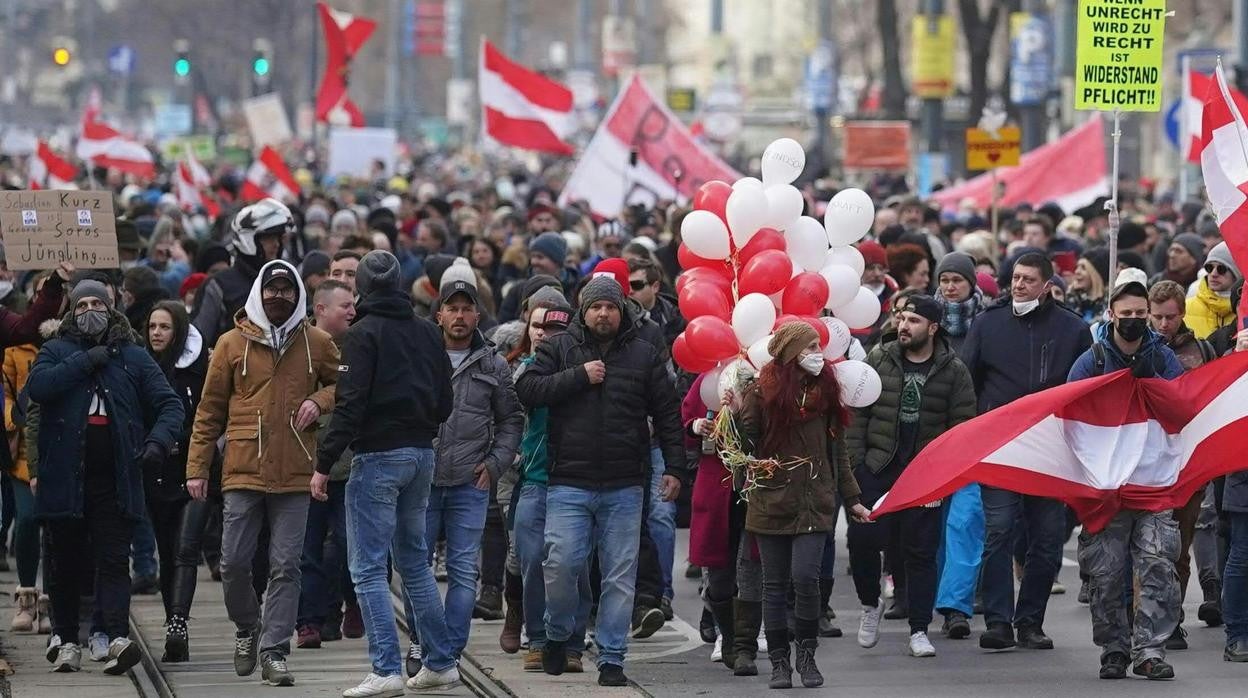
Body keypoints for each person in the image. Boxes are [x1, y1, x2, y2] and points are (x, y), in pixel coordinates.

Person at [515, 276, 685, 687]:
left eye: (610, 306)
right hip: (568, 482)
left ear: (620, 310)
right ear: (583, 312)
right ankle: (557, 632)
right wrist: (577, 376)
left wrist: (675, 469)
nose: (603, 313)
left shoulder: (644, 354)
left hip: (625, 484)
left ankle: (612, 656)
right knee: (559, 564)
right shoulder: (559, 348)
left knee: (618, 574)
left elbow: (667, 414)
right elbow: (527, 389)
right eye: (596, 307)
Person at [313, 250, 462, 696]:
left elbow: (349, 403)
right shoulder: (425, 330)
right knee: (414, 563)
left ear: (362, 288)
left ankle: (385, 667)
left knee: (368, 568)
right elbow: (445, 402)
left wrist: (323, 464)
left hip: (378, 456)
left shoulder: (362, 335)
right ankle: (440, 661)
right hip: (421, 453)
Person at [186, 260, 340, 688]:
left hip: (294, 471)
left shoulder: (318, 343)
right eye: (271, 289)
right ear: (259, 292)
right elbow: (209, 411)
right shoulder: (231, 344)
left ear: (298, 296)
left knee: (286, 565)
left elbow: (344, 385)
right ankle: (246, 626)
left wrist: (321, 401)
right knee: (233, 562)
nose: (278, 297)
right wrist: (197, 467)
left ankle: (274, 651)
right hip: (242, 469)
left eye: (286, 291)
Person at [28, 280, 183, 675]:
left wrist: (157, 444)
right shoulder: (55, 350)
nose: (90, 311)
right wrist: (87, 360)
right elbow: (40, 388)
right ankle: (64, 638)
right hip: (65, 477)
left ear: (112, 308)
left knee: (114, 560)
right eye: (83, 305)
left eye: (98, 303)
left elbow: (169, 404)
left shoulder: (132, 356)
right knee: (65, 561)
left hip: (116, 477)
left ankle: (114, 635)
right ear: (71, 311)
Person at [960, 252, 1093, 651]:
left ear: (1047, 286)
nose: (1019, 285)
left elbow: (1085, 388)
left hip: (1049, 449)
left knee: (1048, 538)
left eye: (1029, 280)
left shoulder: (1072, 329)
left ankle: (1030, 621)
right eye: (1016, 277)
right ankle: (999, 621)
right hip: (1000, 447)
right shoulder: (987, 324)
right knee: (999, 532)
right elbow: (969, 381)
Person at [734, 322, 871, 689]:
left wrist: (853, 498)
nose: (817, 354)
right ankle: (780, 663)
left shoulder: (827, 392)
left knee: (806, 579)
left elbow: (837, 451)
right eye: (809, 347)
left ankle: (806, 656)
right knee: (774, 586)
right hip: (770, 502)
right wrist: (731, 417)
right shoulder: (761, 394)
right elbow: (743, 446)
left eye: (818, 346)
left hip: (814, 501)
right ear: (790, 353)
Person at [1067, 271, 1183, 680]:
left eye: (1140, 312)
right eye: (1126, 312)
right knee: (1106, 573)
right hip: (1109, 488)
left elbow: (1181, 409)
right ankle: (1114, 649)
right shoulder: (1091, 362)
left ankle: (1149, 650)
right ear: (1111, 314)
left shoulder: (1163, 358)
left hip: (1152, 484)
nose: (1133, 319)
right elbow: (1071, 416)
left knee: (1156, 567)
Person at [847, 295, 977, 659]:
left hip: (924, 475)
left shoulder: (954, 370)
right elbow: (857, 416)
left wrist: (943, 472)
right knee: (864, 541)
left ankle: (919, 629)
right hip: (876, 468)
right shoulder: (879, 359)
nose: (904, 326)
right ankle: (869, 605)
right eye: (902, 319)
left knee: (920, 551)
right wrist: (857, 464)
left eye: (914, 321)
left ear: (933, 328)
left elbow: (962, 425)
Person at [421, 278, 523, 659]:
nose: (460, 316)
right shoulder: (422, 355)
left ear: (478, 315)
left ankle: (447, 650)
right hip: (424, 480)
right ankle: (423, 641)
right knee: (418, 568)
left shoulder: (493, 363)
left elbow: (511, 420)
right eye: (453, 309)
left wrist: (495, 464)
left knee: (464, 570)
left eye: (467, 309)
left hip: (470, 482)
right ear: (440, 315)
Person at [507, 302, 595, 673]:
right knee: (530, 560)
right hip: (536, 480)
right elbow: (526, 393)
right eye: (539, 326)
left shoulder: (589, 368)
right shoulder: (528, 370)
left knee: (574, 565)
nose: (546, 334)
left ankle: (573, 641)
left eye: (556, 330)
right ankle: (538, 638)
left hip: (575, 481)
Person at [140, 300, 217, 663]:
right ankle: (173, 616)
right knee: (167, 551)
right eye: (152, 326)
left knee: (186, 548)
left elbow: (210, 415)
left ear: (179, 331)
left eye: (164, 327)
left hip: (195, 470)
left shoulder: (199, 370)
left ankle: (177, 624)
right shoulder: (139, 369)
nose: (157, 333)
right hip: (157, 475)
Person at [1147, 280, 1223, 645]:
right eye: (1158, 317)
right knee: (1148, 547)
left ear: (1182, 313)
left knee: (1179, 545)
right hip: (1146, 461)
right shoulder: (1135, 348)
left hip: (1188, 462)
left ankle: (1173, 618)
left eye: (1171, 317)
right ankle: (1147, 617)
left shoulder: (1202, 350)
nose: (1164, 324)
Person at [296, 280, 358, 650]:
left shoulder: (359, 344)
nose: (353, 311)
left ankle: (352, 604)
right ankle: (309, 622)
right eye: (345, 306)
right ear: (320, 309)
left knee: (351, 545)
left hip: (350, 464)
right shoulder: (298, 346)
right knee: (308, 551)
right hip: (307, 464)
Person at [193, 199, 293, 348]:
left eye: (278, 237)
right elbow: (199, 341)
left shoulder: (287, 280)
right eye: (269, 238)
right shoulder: (219, 285)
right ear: (248, 239)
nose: (276, 244)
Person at [1185, 241, 1240, 339]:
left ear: (1237, 273)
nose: (1214, 274)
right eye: (1209, 267)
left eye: (1221, 269)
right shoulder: (1186, 307)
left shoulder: (1243, 309)